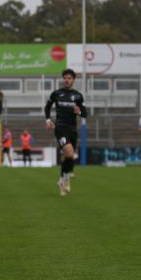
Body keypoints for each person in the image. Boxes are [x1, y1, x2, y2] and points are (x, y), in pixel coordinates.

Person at [45, 68, 87, 196]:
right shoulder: (56, 93)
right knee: (69, 153)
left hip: (72, 130)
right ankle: (64, 179)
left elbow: (84, 113)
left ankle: (63, 179)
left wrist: (78, 112)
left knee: (69, 156)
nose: (67, 80)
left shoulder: (78, 96)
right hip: (60, 128)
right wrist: (48, 120)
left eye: (69, 78)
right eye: (65, 78)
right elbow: (48, 107)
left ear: (73, 80)